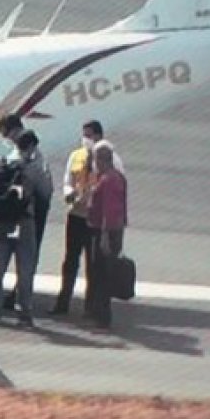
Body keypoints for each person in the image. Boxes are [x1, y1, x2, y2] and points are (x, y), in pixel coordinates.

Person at [50, 120, 124, 315]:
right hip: (76, 214)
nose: (86, 139)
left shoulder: (111, 160)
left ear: (99, 136)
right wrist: (69, 192)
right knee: (70, 259)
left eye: (89, 135)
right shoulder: (76, 155)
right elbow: (68, 180)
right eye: (84, 135)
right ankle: (63, 301)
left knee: (93, 264)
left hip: (95, 220)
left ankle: (91, 306)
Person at [0, 129, 50, 328]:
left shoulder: (1, 162)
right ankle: (24, 313)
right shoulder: (34, 168)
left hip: (4, 221)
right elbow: (46, 193)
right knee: (25, 268)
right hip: (25, 222)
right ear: (30, 147)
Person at [85, 140, 128, 331]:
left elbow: (108, 211)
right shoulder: (117, 177)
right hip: (114, 231)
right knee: (102, 273)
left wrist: (103, 236)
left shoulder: (108, 180)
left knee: (101, 274)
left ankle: (102, 317)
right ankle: (100, 314)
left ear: (101, 160)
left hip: (105, 233)